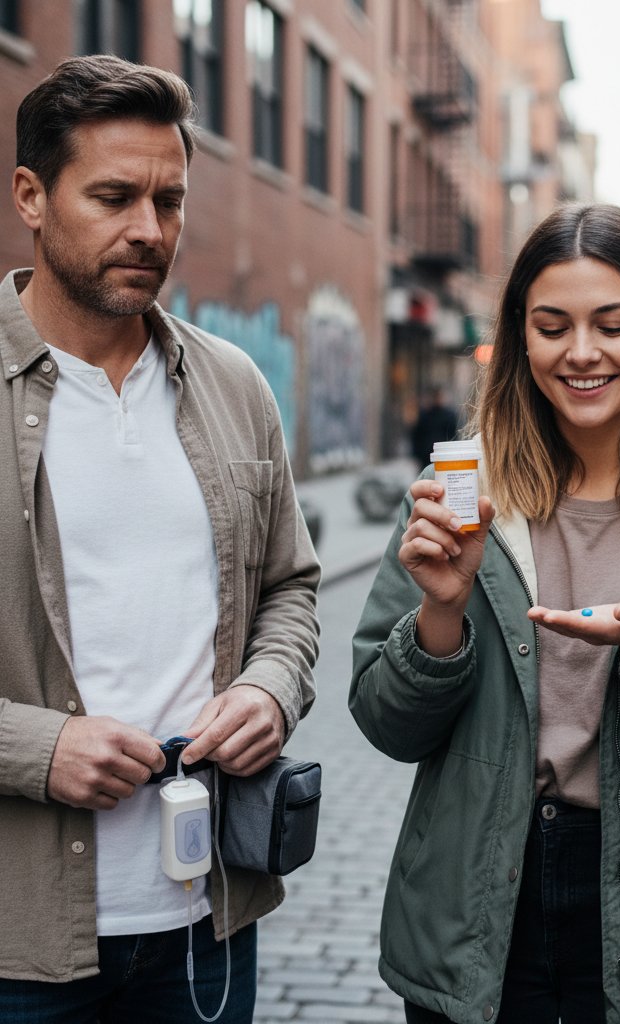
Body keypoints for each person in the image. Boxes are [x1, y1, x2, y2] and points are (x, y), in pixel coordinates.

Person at [350, 203, 620, 1024]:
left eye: (612, 324)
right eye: (552, 326)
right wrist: (441, 617)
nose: (581, 353)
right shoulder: (460, 490)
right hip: (477, 895)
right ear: (522, 336)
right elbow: (387, 724)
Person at [0, 56, 320, 1021]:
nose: (150, 229)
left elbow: (291, 589)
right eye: (113, 196)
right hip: (20, 943)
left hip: (206, 919)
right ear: (31, 196)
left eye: (169, 199)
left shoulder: (234, 387)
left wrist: (271, 687)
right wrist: (35, 747)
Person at [410, 385, 459, 468]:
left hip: (444, 454)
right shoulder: (425, 416)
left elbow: (453, 435)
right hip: (427, 456)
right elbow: (417, 435)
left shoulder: (449, 415)